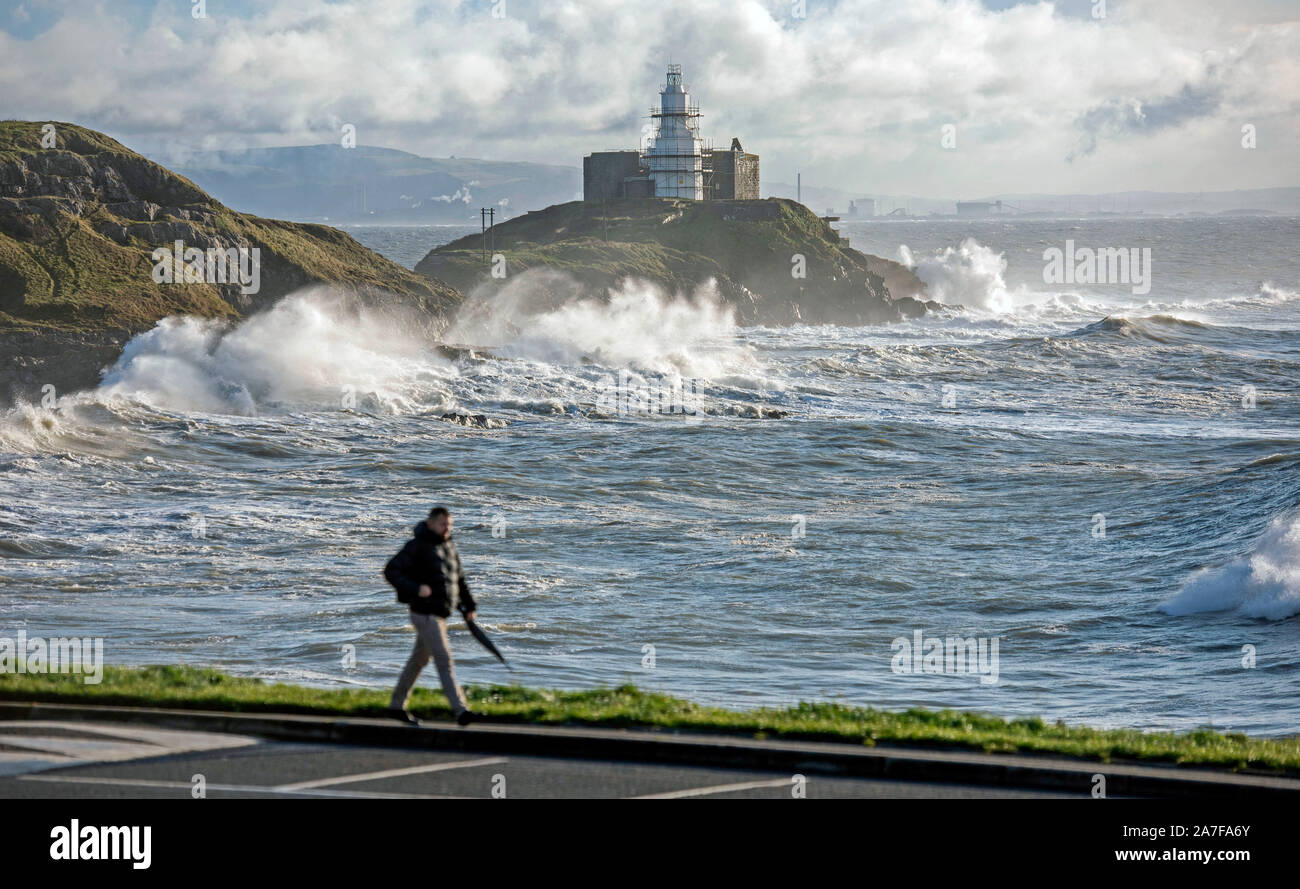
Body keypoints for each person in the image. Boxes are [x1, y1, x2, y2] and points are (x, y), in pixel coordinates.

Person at [384, 507, 477, 726]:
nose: (447, 528)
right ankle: (461, 711)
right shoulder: (417, 546)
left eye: (449, 524)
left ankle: (396, 707)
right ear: (430, 523)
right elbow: (391, 571)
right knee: (444, 660)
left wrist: (469, 604)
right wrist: (416, 589)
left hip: (439, 613)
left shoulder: (448, 545)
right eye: (443, 524)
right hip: (424, 613)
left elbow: (459, 579)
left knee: (418, 660)